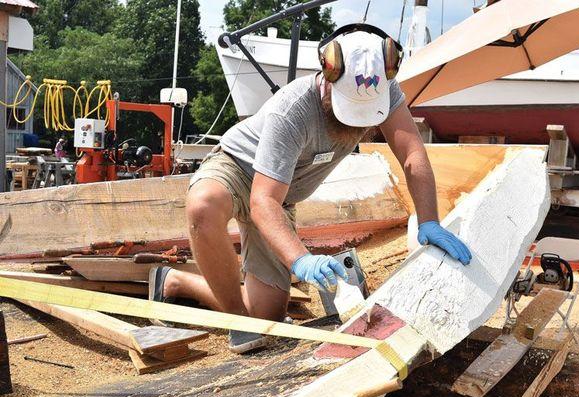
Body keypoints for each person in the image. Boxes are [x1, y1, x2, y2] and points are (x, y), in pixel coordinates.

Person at [148, 24, 472, 354]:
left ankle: (175, 281)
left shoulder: (383, 88)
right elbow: (261, 201)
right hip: (239, 170)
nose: (356, 122)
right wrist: (301, 260)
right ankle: (236, 321)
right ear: (327, 78)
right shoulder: (293, 108)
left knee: (266, 313)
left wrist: (429, 220)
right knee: (203, 207)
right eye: (349, 109)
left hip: (279, 196)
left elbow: (412, 153)